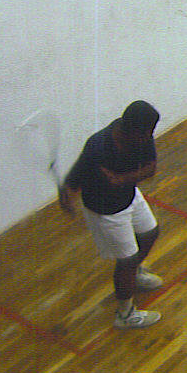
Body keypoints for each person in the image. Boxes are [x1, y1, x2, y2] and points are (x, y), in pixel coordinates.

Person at [59, 100, 164, 329]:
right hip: (106, 210)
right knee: (126, 261)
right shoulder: (98, 147)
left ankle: (134, 274)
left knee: (150, 233)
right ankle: (125, 315)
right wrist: (68, 192)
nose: (149, 137)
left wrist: (122, 180)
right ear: (130, 128)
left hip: (130, 195)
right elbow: (76, 178)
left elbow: (151, 167)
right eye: (145, 133)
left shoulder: (142, 135)